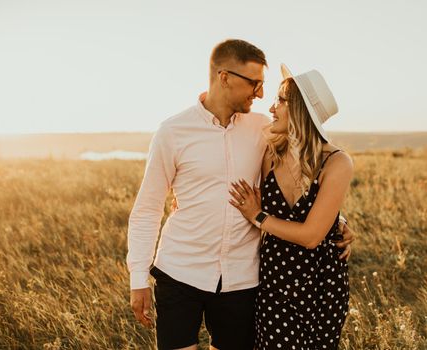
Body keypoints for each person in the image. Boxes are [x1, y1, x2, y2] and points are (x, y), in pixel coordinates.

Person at [127, 39, 354, 350]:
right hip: (180, 271)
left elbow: (299, 178)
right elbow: (148, 209)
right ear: (225, 77)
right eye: (255, 83)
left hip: (242, 278)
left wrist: (334, 221)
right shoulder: (173, 132)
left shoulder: (262, 129)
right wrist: (138, 277)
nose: (261, 94)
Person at [229, 64, 353, 349]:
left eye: (281, 101)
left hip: (323, 284)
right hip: (276, 282)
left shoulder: (336, 162)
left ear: (301, 110)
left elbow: (311, 236)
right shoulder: (270, 156)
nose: (272, 108)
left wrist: (258, 217)